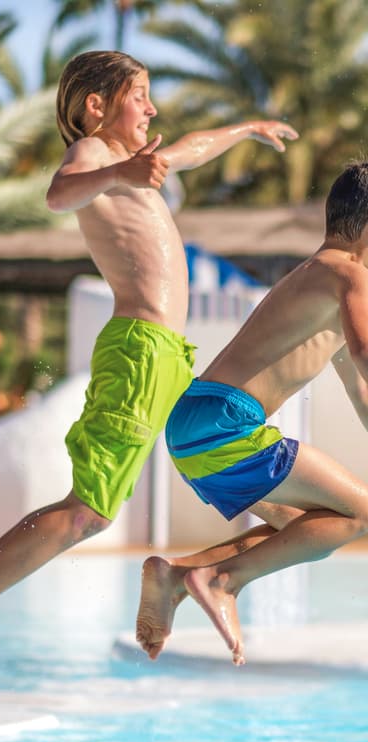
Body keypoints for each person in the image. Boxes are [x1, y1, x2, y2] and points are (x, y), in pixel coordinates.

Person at [0, 49, 298, 687]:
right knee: (89, 511)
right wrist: (121, 173)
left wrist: (247, 130)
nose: (152, 108)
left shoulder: (135, 164)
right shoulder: (95, 157)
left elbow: (192, 147)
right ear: (97, 106)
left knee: (241, 473)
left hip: (167, 356)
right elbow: (59, 195)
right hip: (139, 350)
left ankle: (187, 573)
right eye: (140, 95)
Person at [137, 161, 368, 667]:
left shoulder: (317, 279)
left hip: (195, 422)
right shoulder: (349, 274)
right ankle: (220, 580)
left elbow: (360, 390)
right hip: (227, 422)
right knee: (361, 513)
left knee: (309, 529)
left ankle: (177, 576)